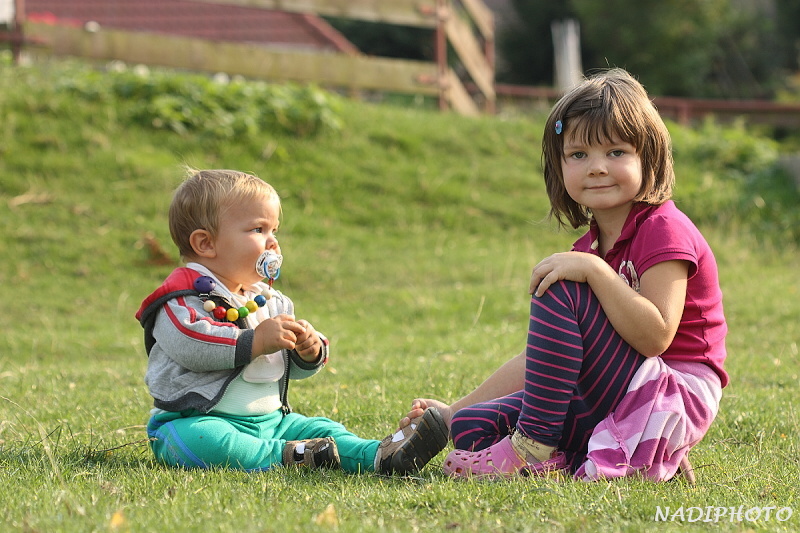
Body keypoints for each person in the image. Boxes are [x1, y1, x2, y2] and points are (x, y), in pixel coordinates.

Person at [400, 69, 727, 482]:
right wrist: (453, 411)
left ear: (649, 156)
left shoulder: (662, 229)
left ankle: (533, 447)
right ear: (559, 166)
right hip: (620, 390)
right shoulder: (586, 252)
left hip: (673, 391)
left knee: (561, 285)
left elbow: (657, 336)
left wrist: (594, 271)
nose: (596, 168)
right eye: (578, 155)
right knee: (470, 429)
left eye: (616, 152)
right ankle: (603, 454)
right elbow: (540, 360)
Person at [136, 169, 448, 474]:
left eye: (275, 231)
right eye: (259, 230)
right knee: (207, 441)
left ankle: (380, 455)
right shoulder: (181, 298)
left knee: (320, 427)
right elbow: (193, 344)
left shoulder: (268, 299)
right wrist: (255, 340)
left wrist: (307, 351)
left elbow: (279, 362)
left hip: (273, 421)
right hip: (194, 421)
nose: (272, 242)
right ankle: (289, 457)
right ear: (206, 243)